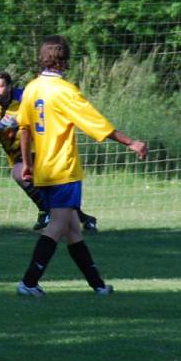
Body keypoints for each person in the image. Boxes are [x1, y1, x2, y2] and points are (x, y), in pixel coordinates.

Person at [15, 35, 147, 296]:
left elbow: (24, 130)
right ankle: (28, 283)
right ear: (65, 61)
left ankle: (98, 286)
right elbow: (97, 123)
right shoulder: (64, 91)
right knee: (57, 225)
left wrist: (28, 164)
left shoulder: (31, 88)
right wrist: (130, 142)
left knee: (73, 229)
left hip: (44, 168)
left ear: (42, 58)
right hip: (63, 168)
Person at [0, 70, 98, 232]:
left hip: (41, 147)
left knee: (21, 174)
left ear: (10, 87)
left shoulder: (24, 96)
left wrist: (19, 120)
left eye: (0, 86)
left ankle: (47, 212)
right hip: (17, 153)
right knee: (49, 191)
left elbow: (44, 111)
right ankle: (83, 219)